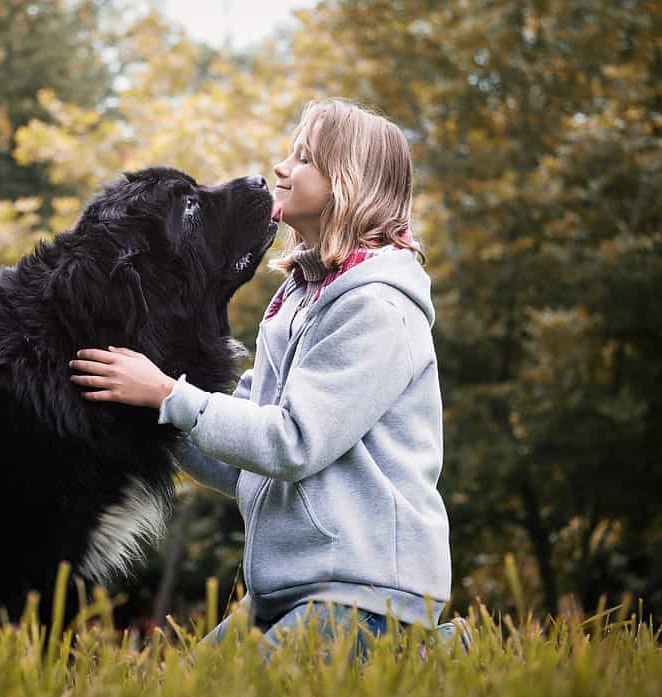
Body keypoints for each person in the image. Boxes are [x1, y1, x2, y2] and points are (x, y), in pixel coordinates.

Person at [67, 97, 472, 664]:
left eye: (304, 158)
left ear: (348, 182)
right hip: (284, 591)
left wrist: (168, 394)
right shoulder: (300, 300)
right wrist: (148, 412)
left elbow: (291, 442)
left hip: (362, 594)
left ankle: (431, 658)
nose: (282, 167)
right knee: (169, 695)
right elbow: (244, 461)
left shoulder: (378, 309)